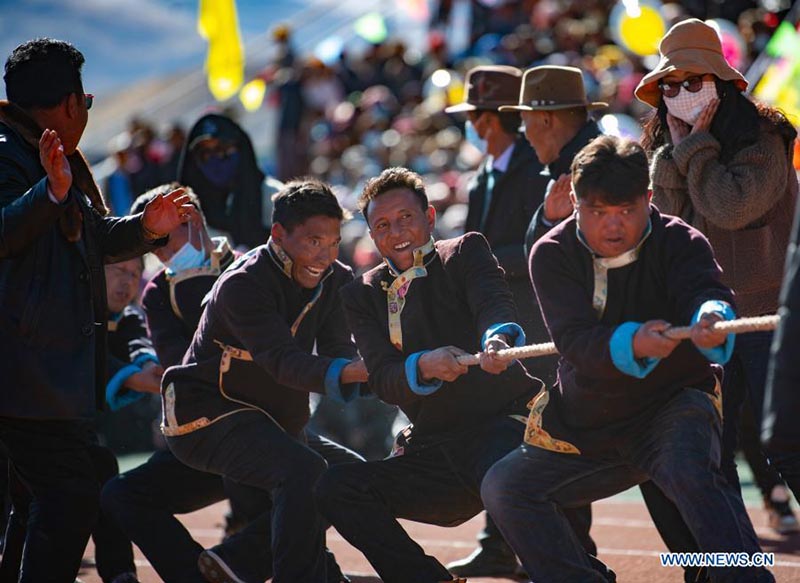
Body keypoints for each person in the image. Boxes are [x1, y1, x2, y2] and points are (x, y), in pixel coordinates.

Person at [481, 135, 773, 583]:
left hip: (672, 405)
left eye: (626, 211)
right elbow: (574, 341)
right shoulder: (552, 254)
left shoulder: (680, 239)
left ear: (649, 199)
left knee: (687, 468)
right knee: (504, 488)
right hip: (586, 422)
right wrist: (632, 343)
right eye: (597, 212)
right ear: (575, 203)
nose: (612, 227)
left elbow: (708, 294)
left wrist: (711, 315)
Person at [314, 168, 610, 583]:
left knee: (504, 479)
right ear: (370, 233)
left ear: (430, 218)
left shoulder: (465, 251)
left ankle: (585, 576)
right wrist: (422, 366)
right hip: (433, 451)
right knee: (336, 487)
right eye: (382, 225)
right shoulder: (360, 294)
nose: (396, 231)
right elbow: (383, 377)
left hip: (502, 428)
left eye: (406, 218)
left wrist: (497, 341)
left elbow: (494, 304)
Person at [0, 38, 190, 581]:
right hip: (23, 371)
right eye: (85, 99)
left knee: (46, 497)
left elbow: (90, 237)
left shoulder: (46, 151)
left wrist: (146, 228)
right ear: (68, 104)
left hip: (45, 374)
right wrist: (51, 193)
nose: (87, 109)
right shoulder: (8, 152)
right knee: (68, 497)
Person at [160, 179, 367, 582]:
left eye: (333, 242)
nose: (324, 255)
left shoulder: (336, 279)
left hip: (270, 420)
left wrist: (401, 369)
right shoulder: (243, 284)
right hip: (203, 417)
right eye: (312, 241)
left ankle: (238, 561)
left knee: (352, 478)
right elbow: (283, 363)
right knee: (306, 471)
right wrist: (358, 369)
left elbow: (339, 352)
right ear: (277, 234)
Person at [638, 18, 798, 496]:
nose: (680, 92)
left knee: (788, 445)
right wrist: (678, 152)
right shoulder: (672, 149)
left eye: (692, 81)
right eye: (669, 85)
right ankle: (731, 564)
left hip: (768, 318)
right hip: (704, 318)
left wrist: (696, 149)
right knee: (711, 450)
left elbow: (730, 207)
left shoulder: (765, 138)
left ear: (722, 84)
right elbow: (666, 219)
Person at [442, 65, 558, 578]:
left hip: (536, 319)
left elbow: (542, 246)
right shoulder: (481, 175)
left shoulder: (539, 168)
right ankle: (497, 542)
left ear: (490, 120)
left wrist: (482, 263)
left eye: (474, 117)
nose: (471, 126)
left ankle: (564, 551)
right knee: (502, 430)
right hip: (494, 322)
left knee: (548, 433)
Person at [496, 65, 606, 254]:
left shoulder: (603, 169)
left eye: (525, 120)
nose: (524, 133)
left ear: (545, 120)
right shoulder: (562, 168)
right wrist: (547, 219)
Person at [178, 113, 282, 250]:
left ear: (241, 148)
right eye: (205, 153)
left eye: (222, 150)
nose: (215, 159)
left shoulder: (273, 196)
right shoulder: (189, 213)